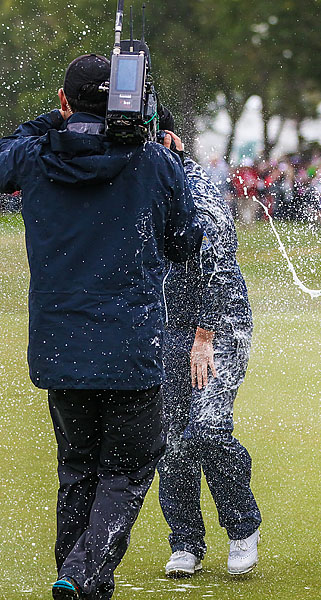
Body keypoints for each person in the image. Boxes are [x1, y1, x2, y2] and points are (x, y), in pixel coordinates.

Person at [0, 54, 202, 600]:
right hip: (131, 346)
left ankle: (78, 578)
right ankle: (84, 574)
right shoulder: (154, 161)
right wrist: (174, 165)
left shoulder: (34, 155)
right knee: (130, 470)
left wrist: (53, 122)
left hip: (59, 347)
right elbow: (188, 243)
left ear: (65, 102)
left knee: (79, 470)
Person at [155, 112, 262, 578]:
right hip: (164, 328)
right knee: (172, 442)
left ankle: (242, 528)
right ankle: (186, 542)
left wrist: (204, 334)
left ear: (168, 139)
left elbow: (218, 255)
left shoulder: (192, 184)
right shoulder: (135, 181)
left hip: (218, 325)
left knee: (208, 430)